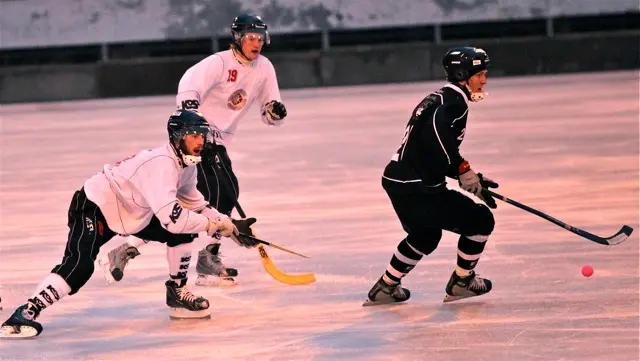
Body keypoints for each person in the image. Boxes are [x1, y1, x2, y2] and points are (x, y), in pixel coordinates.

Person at [1, 109, 257, 338]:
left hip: (133, 211)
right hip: (95, 207)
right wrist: (214, 226)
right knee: (79, 266)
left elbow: (195, 204)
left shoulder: (187, 165)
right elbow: (174, 219)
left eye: (202, 135)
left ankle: (176, 292)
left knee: (184, 235)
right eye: (194, 135)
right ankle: (24, 313)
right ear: (177, 137)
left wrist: (229, 224)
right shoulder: (161, 164)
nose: (201, 141)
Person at [99, 13, 286, 287]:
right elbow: (189, 83)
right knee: (222, 193)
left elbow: (270, 109)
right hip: (197, 140)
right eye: (250, 38)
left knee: (209, 198)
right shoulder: (220, 62)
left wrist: (275, 112)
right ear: (237, 38)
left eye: (260, 38)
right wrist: (192, 122)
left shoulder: (264, 68)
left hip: (219, 143)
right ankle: (205, 259)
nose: (256, 43)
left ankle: (128, 249)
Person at [364, 47, 499, 306]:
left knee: (424, 235)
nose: (484, 80)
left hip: (399, 180)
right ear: (463, 75)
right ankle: (463, 281)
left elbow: (431, 146)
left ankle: (386, 286)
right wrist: (462, 169)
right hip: (419, 186)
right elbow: (438, 137)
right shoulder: (454, 102)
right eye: (480, 74)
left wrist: (470, 176)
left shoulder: (439, 97)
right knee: (481, 221)